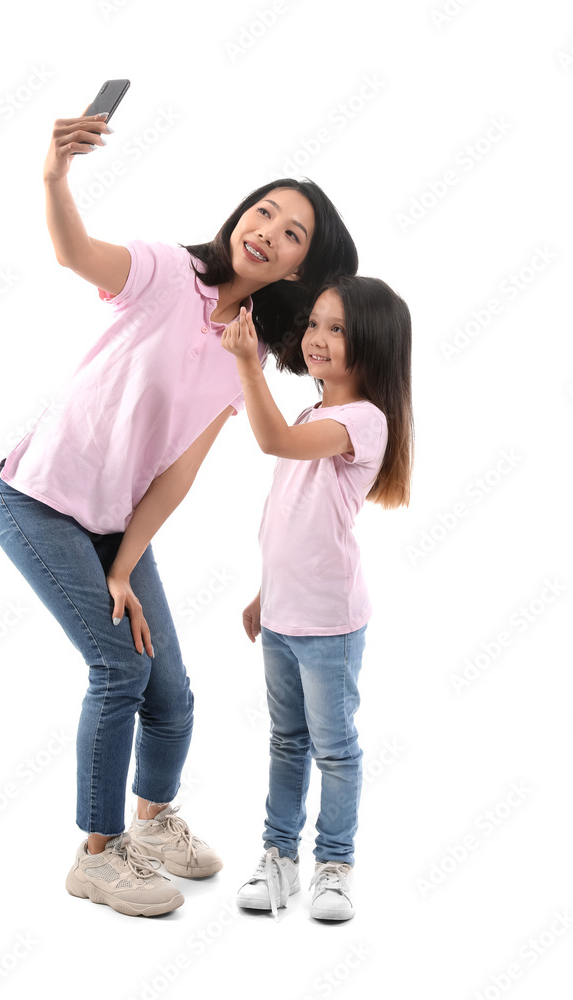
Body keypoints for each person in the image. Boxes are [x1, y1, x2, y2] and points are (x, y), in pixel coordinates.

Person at [0, 107, 360, 918]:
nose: (268, 231)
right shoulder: (165, 272)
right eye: (264, 210)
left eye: (292, 233)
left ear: (299, 268)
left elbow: (178, 473)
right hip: (37, 496)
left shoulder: (247, 354)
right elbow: (75, 252)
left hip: (114, 520)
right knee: (119, 668)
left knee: (174, 690)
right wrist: (54, 176)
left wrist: (122, 566)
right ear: (240, 215)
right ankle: (97, 853)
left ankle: (152, 826)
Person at [221, 274, 414, 921]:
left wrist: (248, 363)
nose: (319, 339)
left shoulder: (362, 421)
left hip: (330, 623)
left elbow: (272, 441)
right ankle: (280, 859)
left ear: (373, 346)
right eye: (315, 325)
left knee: (333, 748)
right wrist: (262, 592)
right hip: (281, 615)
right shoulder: (311, 413)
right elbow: (288, 518)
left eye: (338, 329)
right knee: (285, 741)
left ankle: (334, 864)